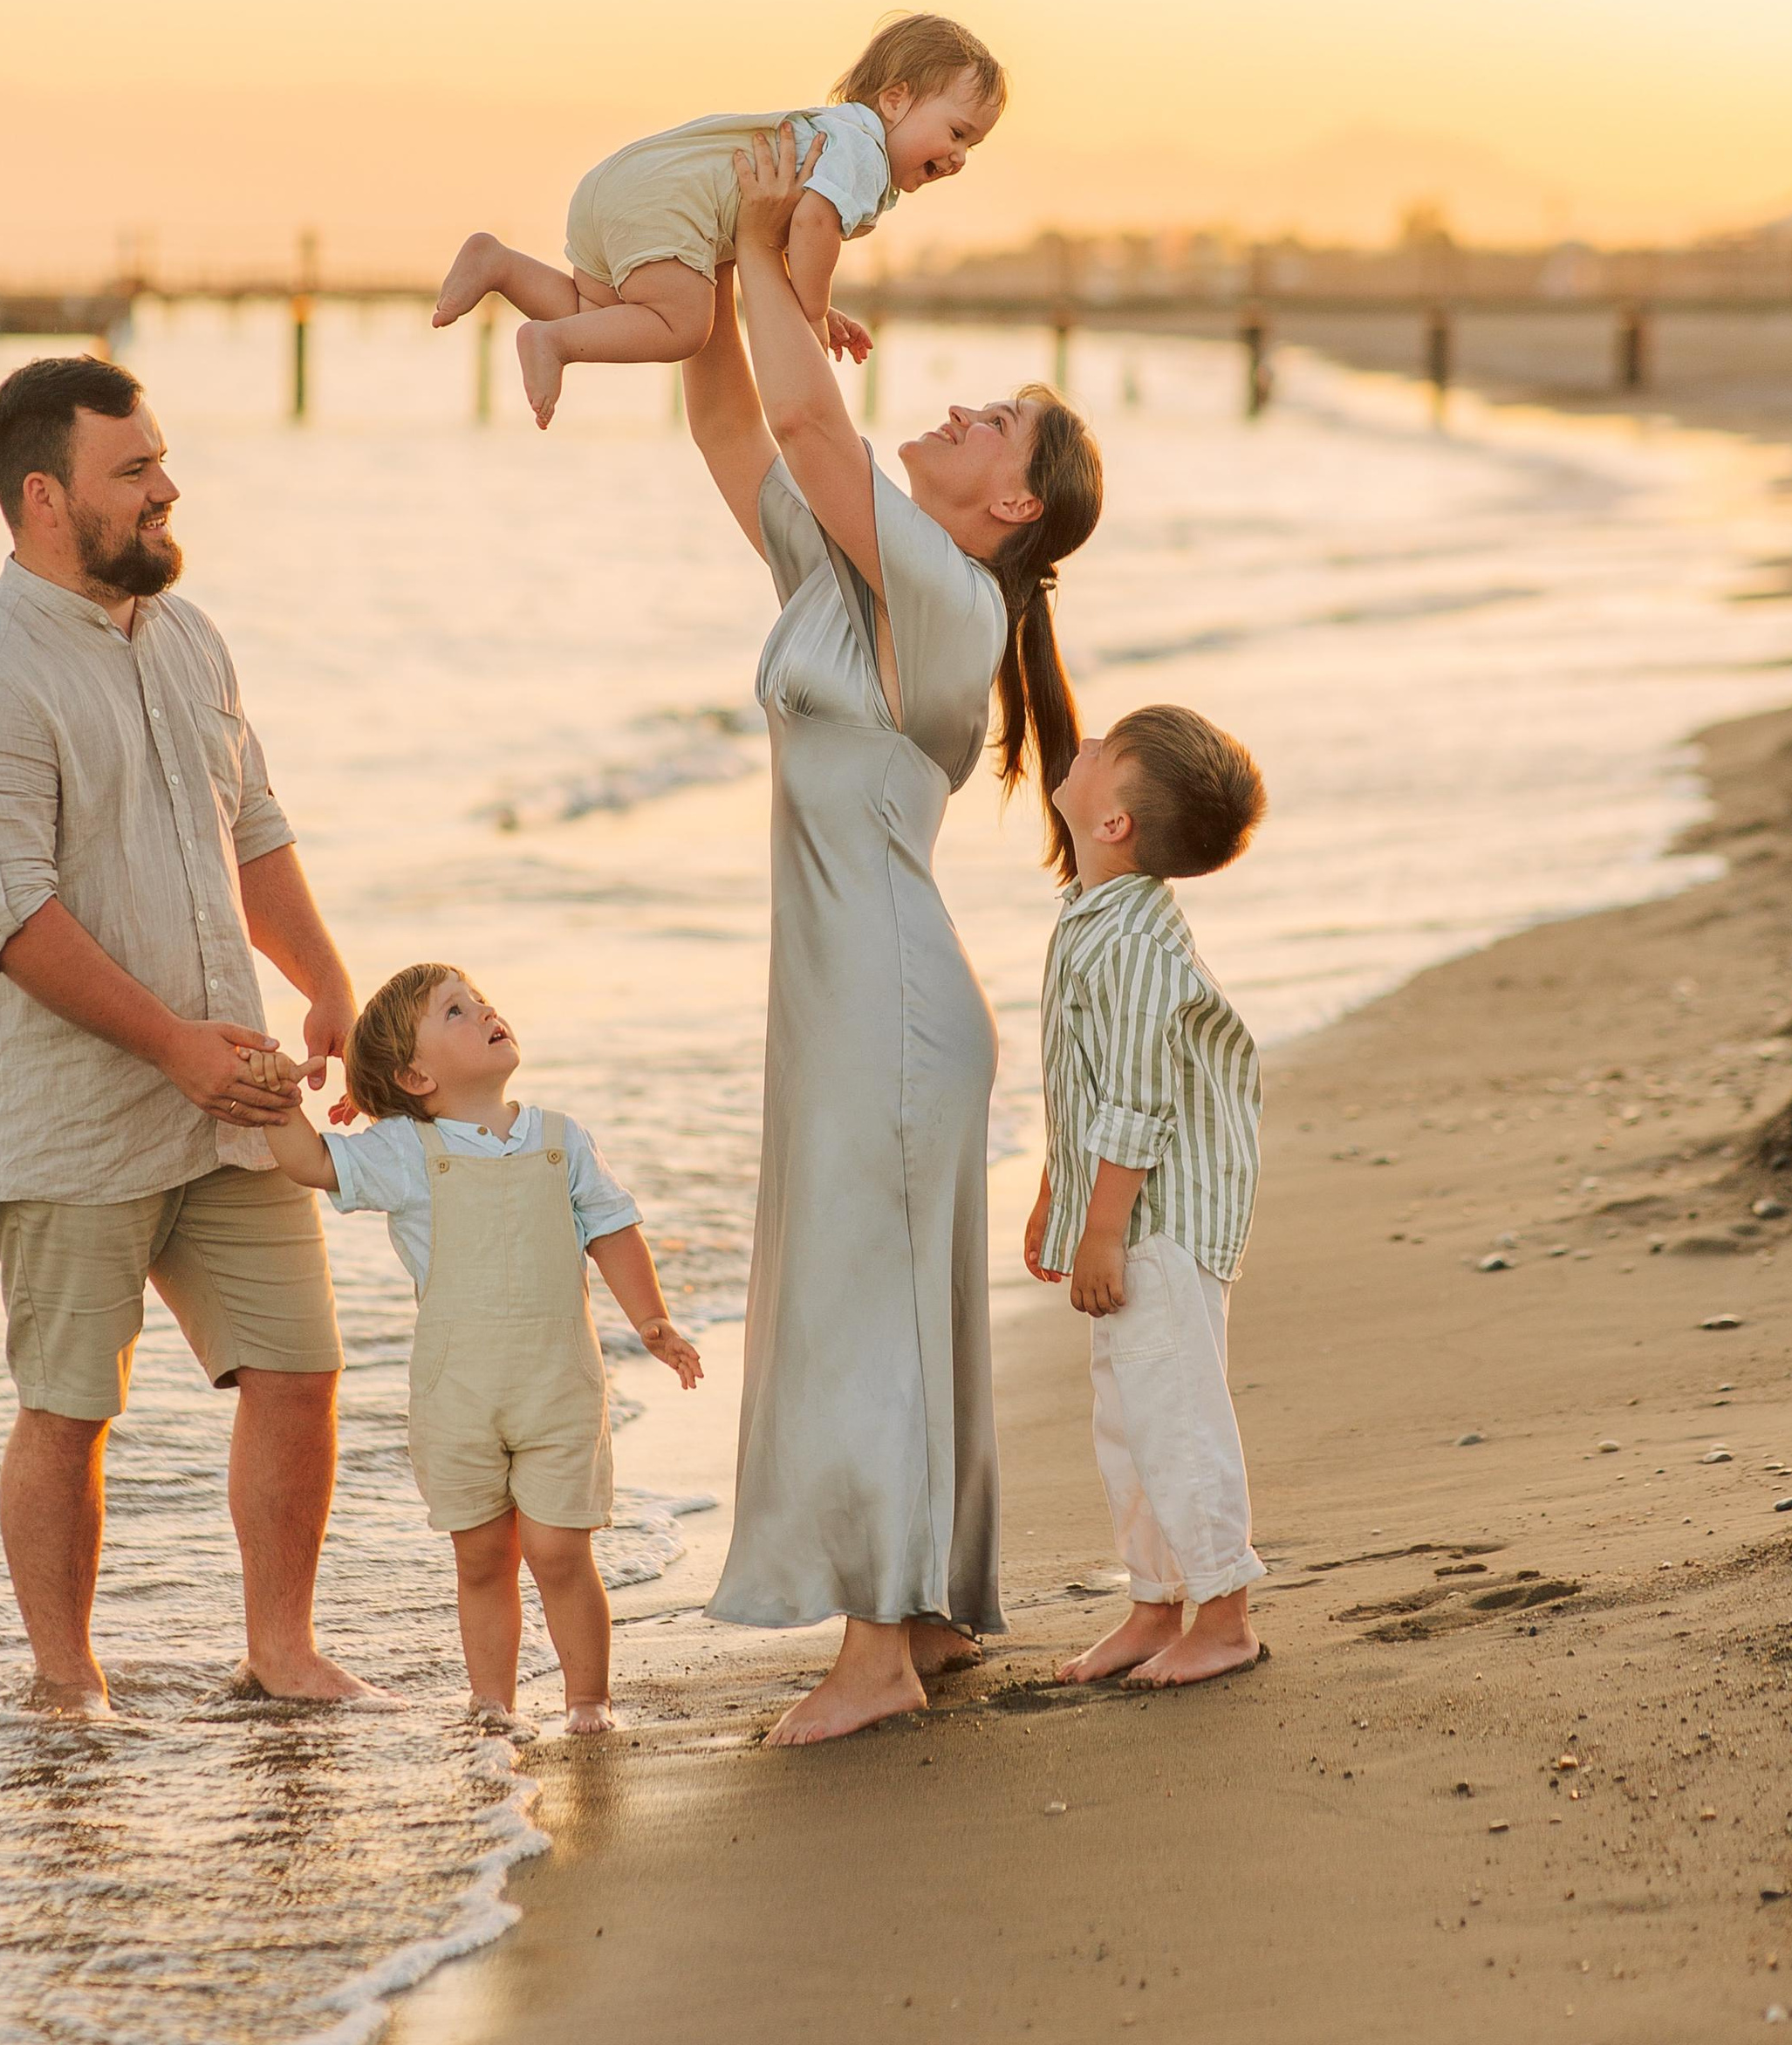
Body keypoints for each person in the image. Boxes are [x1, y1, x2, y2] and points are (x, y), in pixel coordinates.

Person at [682, 126, 1105, 1745]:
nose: (955, 410)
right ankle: (919, 1621)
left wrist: (766, 238)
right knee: (877, 1288)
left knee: (865, 1296)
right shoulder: (866, 572)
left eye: (989, 421)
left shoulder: (947, 595)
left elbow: (807, 407)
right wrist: (730, 271)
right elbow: (741, 423)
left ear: (1010, 502)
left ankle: (872, 1653)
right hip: (860, 990)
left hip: (887, 999)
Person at [0, 354, 381, 1716]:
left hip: (228, 1097)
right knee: (70, 1405)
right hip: (66, 1119)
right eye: (136, 471)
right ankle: (68, 1684)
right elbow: (12, 921)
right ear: (46, 498)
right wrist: (171, 1044)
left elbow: (256, 830)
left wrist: (328, 981)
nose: (169, 489)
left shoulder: (190, 638)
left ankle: (282, 1652)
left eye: (162, 460)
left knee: (298, 1368)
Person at [254, 962, 702, 1734]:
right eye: (456, 1011)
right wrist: (276, 1100)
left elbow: (613, 1226)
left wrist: (651, 1319)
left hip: (559, 1388)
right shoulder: (404, 1152)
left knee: (561, 1552)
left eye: (480, 1000)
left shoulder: (561, 1139)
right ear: (415, 1074)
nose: (487, 1011)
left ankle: (588, 1703)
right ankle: (492, 1706)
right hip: (457, 1399)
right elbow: (312, 1162)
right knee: (482, 1558)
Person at [1028, 703, 1269, 1692]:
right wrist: (1058, 1190)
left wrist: (1104, 1228)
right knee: (1126, 1422)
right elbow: (1082, 1077)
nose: (1076, 748)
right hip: (1128, 1213)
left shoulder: (1130, 946)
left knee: (1177, 1419)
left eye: (1099, 751)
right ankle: (1152, 1603)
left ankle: (1223, 1615)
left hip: (1159, 1228)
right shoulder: (1099, 917)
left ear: (1116, 822)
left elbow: (1136, 1098)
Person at [429, 12, 1005, 426]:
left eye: (972, 148)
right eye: (956, 132)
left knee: (603, 316)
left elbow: (790, 238)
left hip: (622, 188)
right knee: (684, 326)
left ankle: (499, 265)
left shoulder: (834, 133)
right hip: (668, 207)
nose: (958, 157)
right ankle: (551, 343)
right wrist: (811, 317)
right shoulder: (863, 150)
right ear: (896, 99)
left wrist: (822, 308)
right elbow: (811, 228)